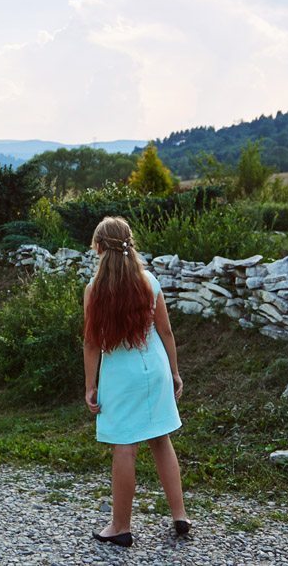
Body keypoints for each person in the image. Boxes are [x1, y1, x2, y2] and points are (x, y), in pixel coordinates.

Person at [82, 216, 190, 548]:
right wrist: (174, 372)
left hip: (121, 376)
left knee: (125, 447)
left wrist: (90, 386)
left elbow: (91, 344)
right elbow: (166, 331)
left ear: (99, 248)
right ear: (130, 244)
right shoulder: (149, 282)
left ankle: (120, 526)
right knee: (161, 439)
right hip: (154, 368)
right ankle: (180, 516)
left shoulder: (94, 291)